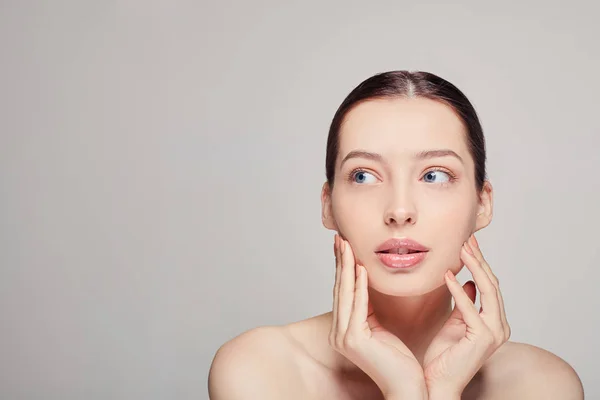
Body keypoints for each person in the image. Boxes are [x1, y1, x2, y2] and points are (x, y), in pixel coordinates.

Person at [207, 71, 584, 399]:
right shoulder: (261, 370)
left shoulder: (542, 386)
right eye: (363, 175)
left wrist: (442, 390)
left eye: (434, 175)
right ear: (328, 205)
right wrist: (403, 391)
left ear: (482, 203)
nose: (400, 211)